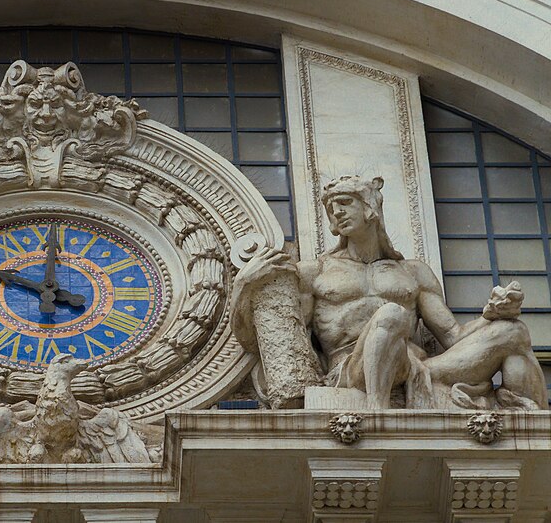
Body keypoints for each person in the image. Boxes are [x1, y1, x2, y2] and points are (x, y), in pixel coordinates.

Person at [233, 175, 548, 410]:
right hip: (352, 370)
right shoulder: (315, 272)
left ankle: (525, 421)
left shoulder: (413, 272)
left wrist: (491, 315)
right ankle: (376, 417)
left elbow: (452, 336)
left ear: (370, 206)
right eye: (331, 208)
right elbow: (269, 340)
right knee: (392, 314)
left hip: (418, 367)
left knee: (513, 332)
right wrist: (243, 286)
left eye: (345, 202)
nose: (337, 212)